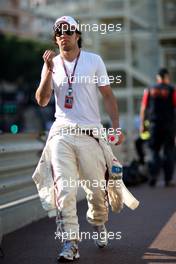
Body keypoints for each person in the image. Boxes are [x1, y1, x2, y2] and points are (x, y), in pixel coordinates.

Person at [34, 15, 128, 262]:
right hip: (62, 134)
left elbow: (108, 95)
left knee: (96, 192)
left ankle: (98, 222)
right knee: (64, 190)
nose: (63, 34)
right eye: (58, 32)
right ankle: (71, 243)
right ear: (56, 39)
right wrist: (47, 74)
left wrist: (116, 127)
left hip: (91, 134)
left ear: (77, 35)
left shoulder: (93, 61)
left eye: (68, 30)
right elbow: (42, 100)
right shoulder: (51, 64)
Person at [140, 68, 176, 187]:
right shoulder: (172, 90)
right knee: (168, 151)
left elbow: (144, 109)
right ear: (166, 77)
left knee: (154, 151)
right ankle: (168, 179)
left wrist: (142, 125)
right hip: (169, 125)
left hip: (154, 125)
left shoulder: (149, 90)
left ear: (157, 77)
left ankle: (153, 176)